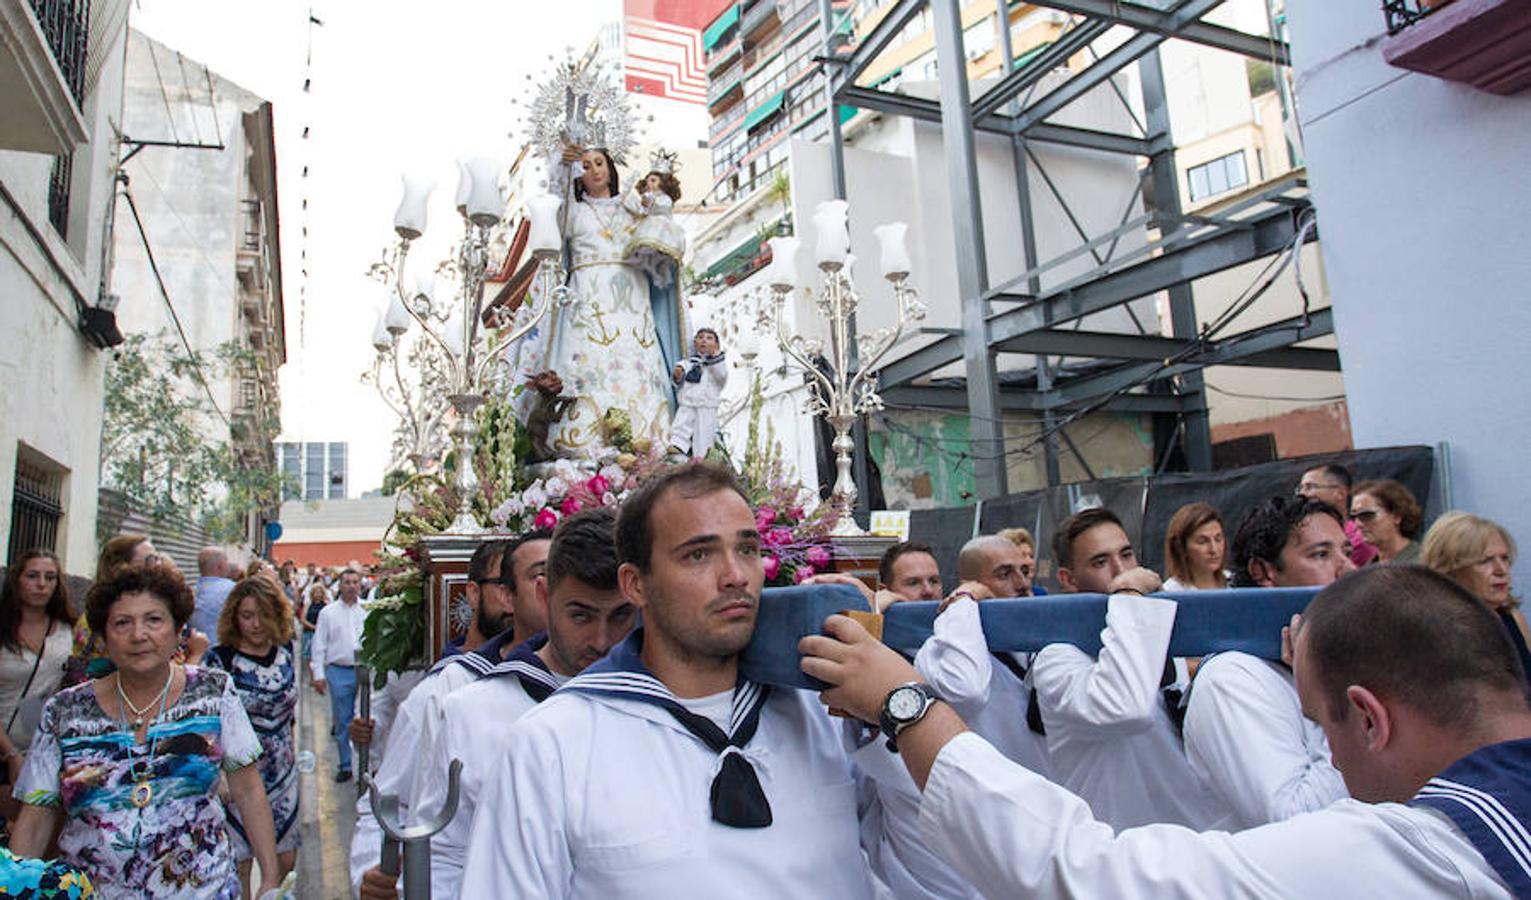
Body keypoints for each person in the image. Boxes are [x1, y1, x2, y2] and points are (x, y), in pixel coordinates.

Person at [801, 565, 1531, 898]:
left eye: (1320, 729)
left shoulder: (1422, 860)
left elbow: (1084, 873)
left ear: (1369, 719)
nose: (1329, 754)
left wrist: (906, 705)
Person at [460, 462, 880, 898]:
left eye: (748, 549)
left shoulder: (829, 710)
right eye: (699, 554)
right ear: (635, 585)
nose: (735, 575)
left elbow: (927, 874)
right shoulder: (552, 745)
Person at [393, 510, 636, 900]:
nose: (602, 640)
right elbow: (439, 854)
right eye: (580, 615)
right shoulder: (468, 712)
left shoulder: (660, 705)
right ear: (544, 595)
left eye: (621, 615)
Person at [9, 563, 280, 899]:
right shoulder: (64, 712)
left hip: (204, 890)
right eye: (122, 622)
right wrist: (14, 887)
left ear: (178, 631)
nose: (139, 635)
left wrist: (270, 877)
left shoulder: (214, 691)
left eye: (154, 620)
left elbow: (248, 788)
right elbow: (37, 816)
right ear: (104, 636)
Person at [348, 540, 517, 896]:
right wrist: (371, 872)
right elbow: (387, 803)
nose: (516, 598)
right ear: (472, 593)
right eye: (504, 585)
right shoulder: (436, 693)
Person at [1033, 508, 1219, 830]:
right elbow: (1125, 708)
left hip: (1195, 839)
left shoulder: (1147, 631)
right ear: (1068, 580)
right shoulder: (1056, 658)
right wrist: (1128, 594)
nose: (1121, 571)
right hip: (1124, 855)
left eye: (1127, 555)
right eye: (1100, 562)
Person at [1182, 496, 1351, 830]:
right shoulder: (1230, 682)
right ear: (1264, 572)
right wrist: (1331, 700)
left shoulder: (1339, 656)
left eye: (1346, 551)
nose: (1348, 568)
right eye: (1321, 554)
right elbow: (1297, 823)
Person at [532, 145, 682, 458]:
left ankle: (647, 438)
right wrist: (563, 163)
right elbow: (556, 201)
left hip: (633, 303)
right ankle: (586, 442)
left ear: (611, 167)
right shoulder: (574, 212)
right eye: (585, 166)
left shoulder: (632, 205)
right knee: (590, 367)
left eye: (599, 163)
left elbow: (661, 229)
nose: (595, 170)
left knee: (636, 367)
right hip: (588, 300)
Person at [204, 577, 300, 896]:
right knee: (240, 861)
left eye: (263, 614)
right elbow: (206, 724)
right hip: (239, 777)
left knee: (285, 859)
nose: (256, 624)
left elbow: (291, 714)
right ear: (234, 617)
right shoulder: (219, 660)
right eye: (246, 615)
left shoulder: (286, 651)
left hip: (284, 775)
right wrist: (218, 775)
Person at [0, 550, 77, 831]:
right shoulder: (3, 628)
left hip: (43, 749)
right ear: (17, 580)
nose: (41, 584)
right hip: (6, 747)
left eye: (50, 577)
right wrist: (11, 755)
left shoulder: (68, 630)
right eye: (32, 576)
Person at [1422, 511, 1531, 678]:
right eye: (1485, 561)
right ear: (1451, 569)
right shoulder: (1435, 632)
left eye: (1504, 558)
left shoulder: (1514, 619)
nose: (1501, 570)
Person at [310, 567, 367, 782]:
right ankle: (345, 764)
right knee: (343, 719)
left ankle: (364, 762)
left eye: (355, 582)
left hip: (363, 669)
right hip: (338, 670)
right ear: (340, 585)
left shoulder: (368, 610)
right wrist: (318, 673)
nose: (352, 586)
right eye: (347, 582)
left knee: (364, 717)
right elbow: (319, 644)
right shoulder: (328, 613)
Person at [1297, 463, 1377, 567]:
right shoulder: (1300, 532)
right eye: (1300, 488)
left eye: (1310, 487)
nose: (1302, 494)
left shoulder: (1359, 541)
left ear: (1340, 493)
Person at [668, 328, 728, 460]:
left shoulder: (718, 364)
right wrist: (678, 373)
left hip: (707, 405)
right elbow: (680, 372)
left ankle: (701, 456)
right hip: (687, 403)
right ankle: (678, 444)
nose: (704, 340)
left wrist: (715, 357)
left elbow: (722, 377)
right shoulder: (690, 362)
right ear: (695, 343)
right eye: (700, 337)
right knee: (681, 423)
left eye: (709, 338)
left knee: (704, 432)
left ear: (717, 345)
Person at [1350, 479, 1424, 564]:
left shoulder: (1424, 562)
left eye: (1367, 515)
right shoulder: (1369, 568)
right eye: (1353, 517)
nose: (1358, 524)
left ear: (1396, 516)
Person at [1162, 502, 1229, 590]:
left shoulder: (1235, 584)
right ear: (1181, 547)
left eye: (1218, 539)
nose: (1214, 549)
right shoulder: (1171, 592)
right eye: (1202, 542)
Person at [190, 547, 236, 641]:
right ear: (221, 566)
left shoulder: (190, 593)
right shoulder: (232, 589)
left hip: (195, 648)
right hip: (221, 648)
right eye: (227, 561)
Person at [879, 540, 944, 607]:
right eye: (913, 583)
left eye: (934, 581)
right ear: (885, 592)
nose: (929, 591)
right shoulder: (873, 616)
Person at [995, 527, 1043, 593]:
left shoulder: (1041, 594)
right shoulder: (997, 595)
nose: (1030, 561)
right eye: (1023, 556)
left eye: (1031, 556)